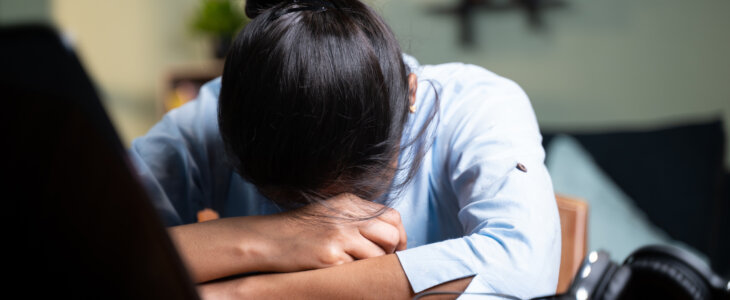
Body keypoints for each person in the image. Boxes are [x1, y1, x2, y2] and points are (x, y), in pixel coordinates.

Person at [130, 0, 561, 298]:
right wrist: (270, 238)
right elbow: (80, 248)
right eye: (286, 201)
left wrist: (249, 292)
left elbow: (523, 266)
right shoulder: (217, 115)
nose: (331, 220)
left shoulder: (477, 105)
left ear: (410, 96)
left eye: (357, 190)